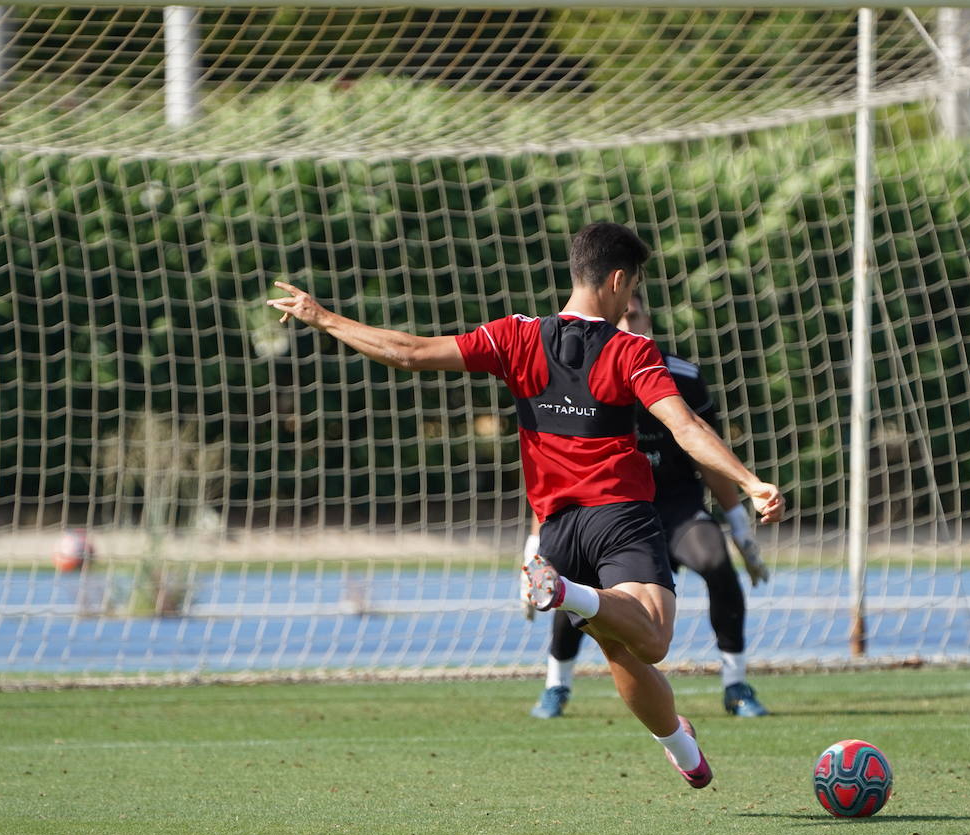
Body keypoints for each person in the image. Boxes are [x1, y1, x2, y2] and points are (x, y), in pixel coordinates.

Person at [269, 222, 782, 789]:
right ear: (617, 280)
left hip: (557, 534)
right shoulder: (632, 351)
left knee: (619, 650)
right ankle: (569, 596)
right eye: (632, 284)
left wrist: (322, 317)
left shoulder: (516, 337)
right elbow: (685, 427)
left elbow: (409, 353)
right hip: (619, 519)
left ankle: (681, 746)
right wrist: (750, 482)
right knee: (654, 640)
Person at [525, 292, 772, 720]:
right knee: (575, 579)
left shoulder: (682, 376)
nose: (626, 322)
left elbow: (703, 451)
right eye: (619, 315)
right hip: (608, 509)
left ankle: (736, 684)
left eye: (634, 314)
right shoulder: (578, 374)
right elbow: (555, 462)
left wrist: (740, 528)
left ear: (647, 316)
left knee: (716, 563)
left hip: (674, 509)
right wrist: (534, 545)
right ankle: (556, 685)